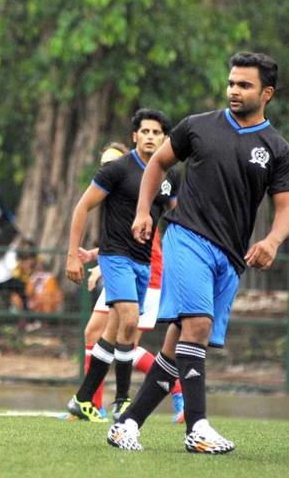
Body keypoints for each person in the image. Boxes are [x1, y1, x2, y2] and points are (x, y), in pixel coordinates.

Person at [108, 52, 289, 453]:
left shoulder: (277, 148)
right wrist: (144, 211)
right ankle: (197, 428)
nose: (234, 90)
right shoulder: (197, 127)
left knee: (176, 344)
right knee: (197, 325)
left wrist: (272, 241)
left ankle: (126, 424)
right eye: (231, 82)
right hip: (187, 237)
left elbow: (286, 206)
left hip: (230, 258)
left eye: (244, 85)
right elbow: (158, 164)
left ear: (267, 93)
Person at [65, 109, 180, 423]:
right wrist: (72, 255)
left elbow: (177, 217)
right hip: (115, 257)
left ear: (165, 138)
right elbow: (82, 206)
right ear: (135, 136)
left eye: (156, 132)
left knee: (116, 330)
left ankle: (83, 400)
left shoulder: (169, 177)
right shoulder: (117, 170)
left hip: (145, 263)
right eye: (144, 131)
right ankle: (122, 401)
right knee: (128, 322)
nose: (150, 137)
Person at [78, 229, 185, 424]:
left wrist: (100, 266)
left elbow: (135, 243)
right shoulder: (121, 204)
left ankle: (177, 388)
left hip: (143, 277)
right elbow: (119, 236)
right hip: (119, 273)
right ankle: (93, 406)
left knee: (126, 346)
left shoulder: (142, 204)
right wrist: (95, 255)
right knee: (93, 333)